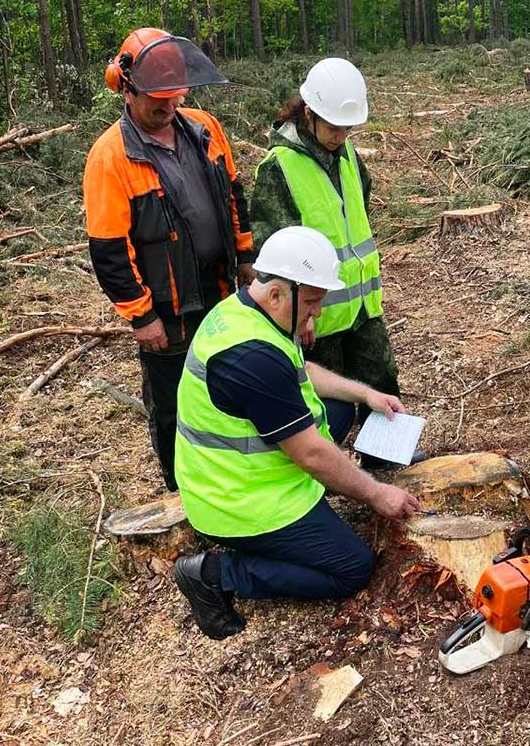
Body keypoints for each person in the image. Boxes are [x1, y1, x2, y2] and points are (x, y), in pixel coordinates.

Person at [172, 226, 421, 640]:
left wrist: (366, 394)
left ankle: (326, 488)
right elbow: (310, 454)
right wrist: (376, 493)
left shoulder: (245, 310)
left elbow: (298, 370)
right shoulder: (250, 358)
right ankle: (217, 574)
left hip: (242, 474)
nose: (317, 313)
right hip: (237, 502)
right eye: (311, 302)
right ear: (277, 293)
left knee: (338, 406)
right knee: (352, 568)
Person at [84, 27, 255, 492]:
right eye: (158, 99)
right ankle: (181, 491)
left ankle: (234, 474)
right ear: (127, 89)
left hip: (220, 287)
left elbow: (233, 194)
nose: (168, 107)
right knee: (174, 404)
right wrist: (141, 316)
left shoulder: (204, 127)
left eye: (175, 96)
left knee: (229, 380)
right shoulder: (110, 157)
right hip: (168, 307)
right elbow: (109, 249)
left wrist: (244, 254)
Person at [249, 58, 400, 416]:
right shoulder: (279, 167)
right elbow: (274, 250)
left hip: (363, 306)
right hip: (317, 315)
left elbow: (358, 211)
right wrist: (300, 316)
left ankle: (386, 450)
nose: (341, 136)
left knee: (382, 385)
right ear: (308, 113)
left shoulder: (347, 155)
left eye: (348, 128)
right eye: (334, 127)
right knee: (329, 408)